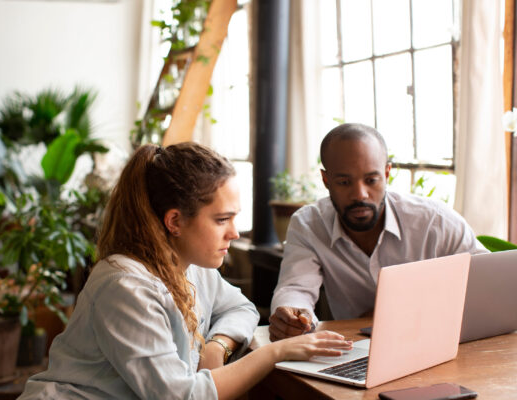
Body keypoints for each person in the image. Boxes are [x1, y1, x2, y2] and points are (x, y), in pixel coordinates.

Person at [18, 142, 352, 400]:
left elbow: (240, 307)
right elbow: (182, 397)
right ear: (175, 221)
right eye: (222, 220)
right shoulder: (125, 286)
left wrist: (216, 346)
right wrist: (274, 352)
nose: (234, 233)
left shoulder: (189, 266)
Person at [269, 123, 488, 342]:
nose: (360, 194)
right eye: (344, 182)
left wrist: (391, 314)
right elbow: (296, 288)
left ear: (386, 174)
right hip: (354, 348)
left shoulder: (436, 222)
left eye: (371, 180)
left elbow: (488, 283)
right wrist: (294, 316)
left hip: (434, 340)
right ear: (327, 181)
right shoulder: (308, 225)